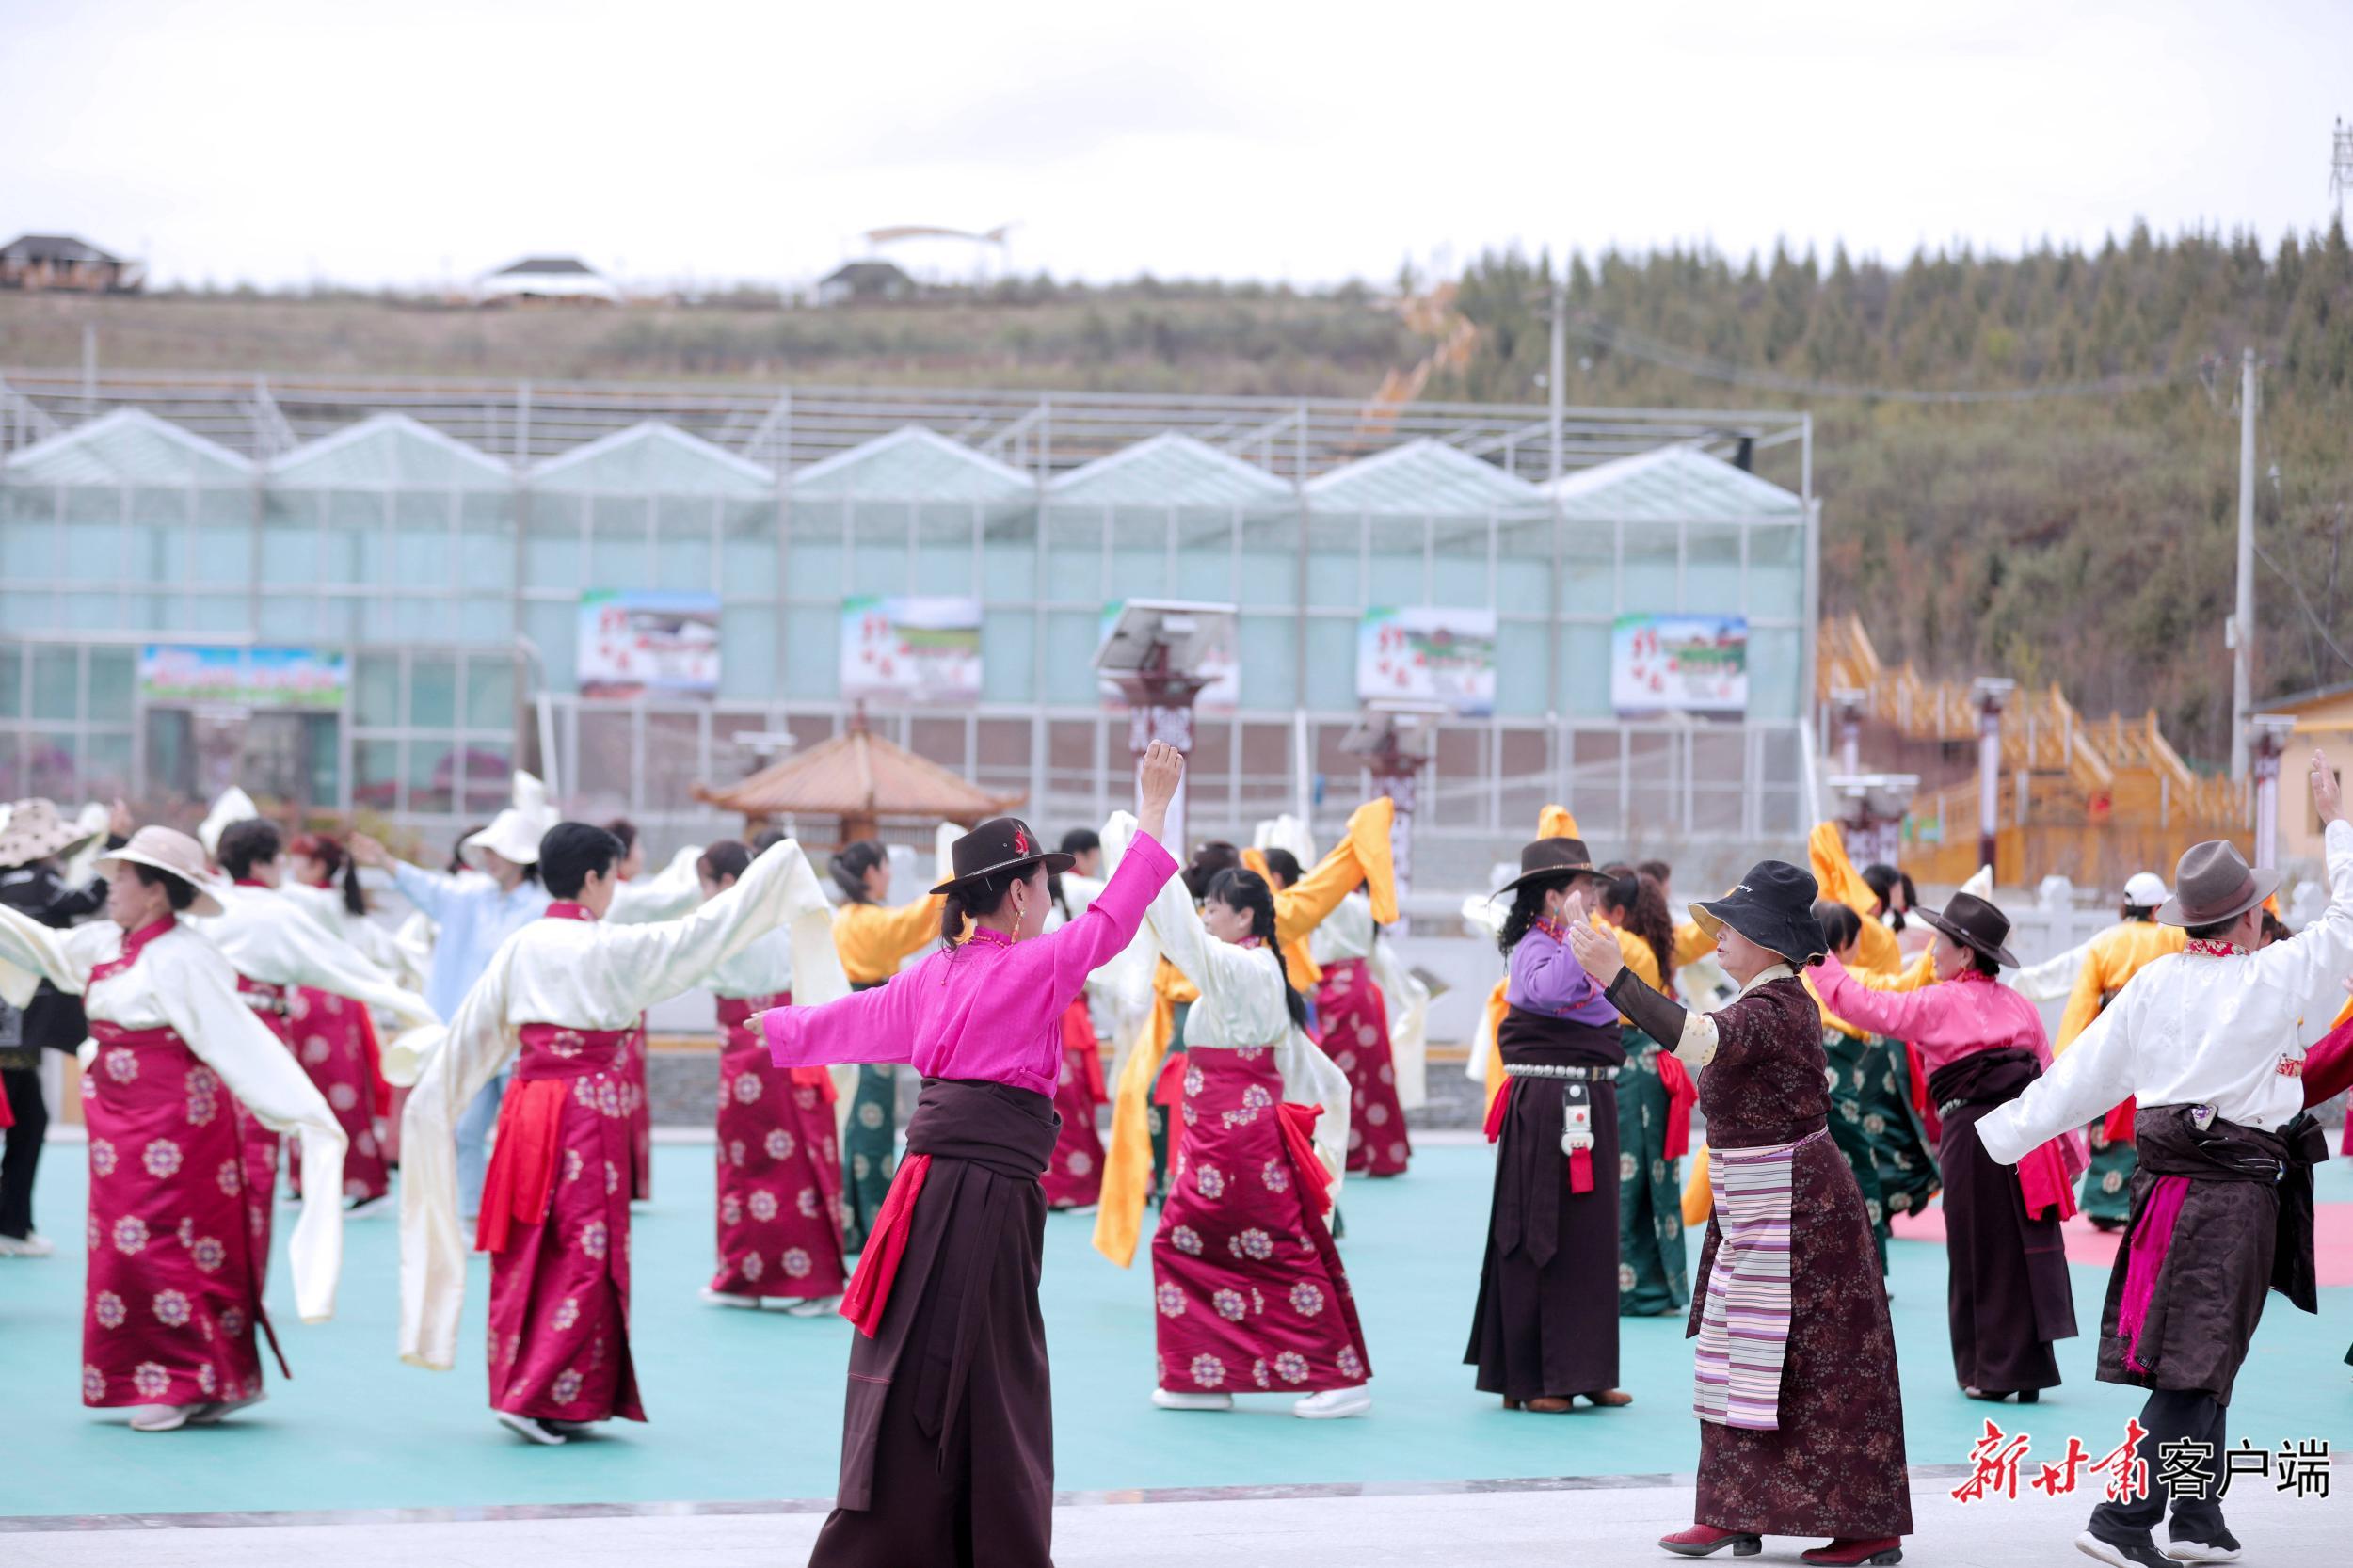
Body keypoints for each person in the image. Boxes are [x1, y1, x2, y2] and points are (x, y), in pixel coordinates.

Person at [758, 744, 1184, 1567]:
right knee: (989, 1367)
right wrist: (1155, 809)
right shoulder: (1029, 967)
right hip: (984, 1190)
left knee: (938, 1355)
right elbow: (1114, 922)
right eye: (1047, 888)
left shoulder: (937, 974)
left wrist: (778, 1030)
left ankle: (923, 1537)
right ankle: (956, 1544)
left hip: (929, 1189)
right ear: (1020, 894)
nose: (1055, 904)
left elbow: (858, 1018)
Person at [1976, 757, 2348, 1568]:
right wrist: (2335, 824)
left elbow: (2078, 1075)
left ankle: (2197, 1516)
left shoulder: (2153, 983)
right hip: (2235, 1189)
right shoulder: (2274, 978)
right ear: (2249, 918)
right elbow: (2350, 926)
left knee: (2201, 1352)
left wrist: (2001, 1136)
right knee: (2200, 1357)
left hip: (2168, 1186)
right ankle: (2124, 1516)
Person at [397, 824, 840, 1446]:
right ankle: (538, 1393)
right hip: (585, 1110)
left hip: (527, 1109)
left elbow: (473, 1033)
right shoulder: (610, 947)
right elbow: (699, 937)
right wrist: (776, 875)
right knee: (585, 1249)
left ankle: (527, 1386)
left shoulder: (523, 944)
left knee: (529, 1245)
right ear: (593, 879)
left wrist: (430, 1102)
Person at [1568, 862, 1910, 1568]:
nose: (1721, 935)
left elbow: (1697, 1039)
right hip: (1760, 1201)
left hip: (1799, 1209)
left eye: (1736, 926)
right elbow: (1701, 1034)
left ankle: (1865, 1526)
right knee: (1736, 1356)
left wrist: (1616, 977)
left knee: (1821, 1366)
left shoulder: (1778, 1006)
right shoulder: (1763, 1002)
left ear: (1776, 944)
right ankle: (1733, 1511)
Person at [0, 826, 347, 1432]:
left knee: (163, 1242)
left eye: (122, 879)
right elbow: (44, 948)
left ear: (157, 892)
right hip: (121, 1124)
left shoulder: (187, 956)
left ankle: (184, 1380)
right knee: (131, 1243)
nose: (109, 889)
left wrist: (299, 1111)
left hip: (175, 1122)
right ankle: (198, 1378)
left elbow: (235, 1041)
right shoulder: (109, 941)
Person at [1121, 846, 1366, 1419]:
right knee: (1196, 1243)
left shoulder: (1245, 968)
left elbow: (1180, 934)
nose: (1205, 916)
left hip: (1236, 1139)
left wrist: (1145, 837)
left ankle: (1335, 1373)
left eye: (1214, 908)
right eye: (1202, 907)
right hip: (1225, 1137)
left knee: (1274, 1246)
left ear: (1244, 918)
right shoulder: (1247, 968)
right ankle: (1203, 1374)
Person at [1811, 889, 2083, 1403]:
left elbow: (1861, 1006)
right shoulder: (2022, 1008)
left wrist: (1819, 960)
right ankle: (2028, 1369)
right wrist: (2066, 1158)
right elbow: (2051, 1081)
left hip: (1972, 1138)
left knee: (1977, 1249)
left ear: (1965, 955)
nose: (1932, 951)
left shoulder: (1937, 1002)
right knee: (2022, 1246)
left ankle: (1988, 1370)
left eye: (1940, 942)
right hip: (2026, 1137)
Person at [200, 819, 439, 1256]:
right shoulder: (283, 907)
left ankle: (342, 1183)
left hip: (218, 1030)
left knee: (223, 1143)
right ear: (263, 863)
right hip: (269, 1026)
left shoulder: (211, 905)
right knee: (270, 1133)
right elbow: (349, 962)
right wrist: (413, 1004)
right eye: (282, 860)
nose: (289, 869)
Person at [1467, 837, 1634, 1411]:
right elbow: (1551, 990)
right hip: (1544, 1105)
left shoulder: (1589, 942)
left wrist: (1586, 940)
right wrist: (1577, 939)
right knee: (1541, 1230)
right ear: (1550, 898)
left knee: (1591, 1236)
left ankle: (1588, 1370)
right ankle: (1539, 1377)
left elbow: (1614, 1003)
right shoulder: (1534, 950)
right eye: (1579, 891)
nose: (1590, 899)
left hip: (1594, 1099)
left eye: (1590, 889)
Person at [353, 790, 552, 1218]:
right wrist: (387, 862)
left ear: (521, 857)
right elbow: (427, 888)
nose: (489, 858)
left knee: (525, 1134)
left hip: (521, 1036)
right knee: (466, 1130)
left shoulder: (541, 907)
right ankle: (471, 1215)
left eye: (497, 851)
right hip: (472, 1035)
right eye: (487, 851)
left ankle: (523, 1216)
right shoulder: (469, 898)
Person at [697, 838, 849, 1315]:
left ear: (726, 882)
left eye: (704, 883)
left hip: (760, 1051)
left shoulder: (731, 924)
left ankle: (806, 1281)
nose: (701, 893)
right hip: (780, 1048)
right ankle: (753, 1277)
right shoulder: (783, 922)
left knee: (773, 1167)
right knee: (783, 1164)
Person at [0, 798, 128, 1256]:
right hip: (21, 1024)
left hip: (6, 1025)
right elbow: (87, 899)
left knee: (24, 1118)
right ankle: (11, 1224)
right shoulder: (41, 881)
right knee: (28, 1121)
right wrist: (114, 845)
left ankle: (12, 1222)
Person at [1806, 903, 1941, 1282]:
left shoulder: (1792, 976)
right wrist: (1938, 946)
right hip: (1837, 1088)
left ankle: (1817, 1268)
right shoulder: (1852, 977)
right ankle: (1865, 1270)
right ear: (1845, 943)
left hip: (1798, 1088)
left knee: (1807, 1174)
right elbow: (1906, 985)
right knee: (1859, 1173)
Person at [827, 839, 947, 1253]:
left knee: (852, 1121)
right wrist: (955, 877)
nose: (890, 873)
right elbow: (915, 923)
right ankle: (870, 1220)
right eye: (884, 866)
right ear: (870, 874)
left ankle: (850, 1220)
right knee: (870, 1126)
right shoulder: (866, 922)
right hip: (871, 1023)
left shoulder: (843, 918)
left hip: (847, 1023)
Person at [278, 831, 401, 1209]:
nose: (289, 867)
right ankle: (305, 1180)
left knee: (341, 1094)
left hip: (328, 1006)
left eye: (297, 860)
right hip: (310, 1005)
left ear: (317, 866)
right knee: (304, 1093)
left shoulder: (319, 901)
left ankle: (365, 1183)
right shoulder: (320, 901)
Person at [2057, 872, 2187, 1229]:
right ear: (2158, 907)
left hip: (2114, 1042)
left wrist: (2064, 1057)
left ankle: (2104, 1201)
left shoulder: (2105, 943)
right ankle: (2151, 1201)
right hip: (2162, 1042)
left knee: (2106, 1114)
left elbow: (2082, 1004)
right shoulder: (2174, 935)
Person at [1599, 869, 1698, 1318]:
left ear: (1617, 912)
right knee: (1648, 1178)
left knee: (1627, 1178)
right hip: (1649, 1067)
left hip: (1633, 1070)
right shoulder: (1650, 944)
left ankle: (1627, 1286)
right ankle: (1656, 1284)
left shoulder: (1623, 942)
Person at [1040, 831, 1112, 1210]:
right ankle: (1072, 1186)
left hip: (1065, 1013)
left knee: (1068, 1098)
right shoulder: (1063, 907)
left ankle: (1071, 1184)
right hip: (1062, 1013)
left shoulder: (1061, 905)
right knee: (1066, 1098)